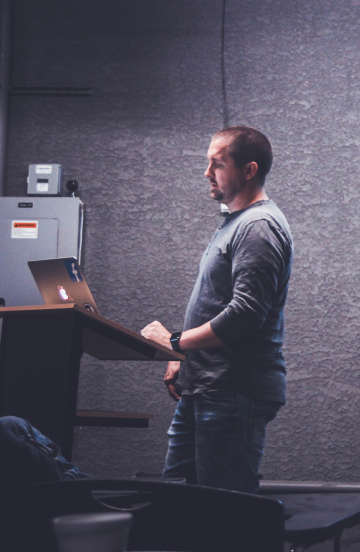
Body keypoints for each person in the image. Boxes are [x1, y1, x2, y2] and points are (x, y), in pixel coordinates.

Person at [141, 126, 293, 493]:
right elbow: (218, 304)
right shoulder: (234, 224)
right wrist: (183, 353)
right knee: (179, 505)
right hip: (206, 388)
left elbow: (245, 314)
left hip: (231, 392)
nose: (207, 172)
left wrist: (176, 342)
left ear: (249, 170)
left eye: (218, 164)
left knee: (222, 513)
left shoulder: (259, 227)